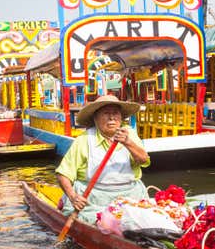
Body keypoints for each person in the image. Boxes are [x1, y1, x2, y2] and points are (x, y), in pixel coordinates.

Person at [56, 94, 150, 223]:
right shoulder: (84, 140)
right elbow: (63, 174)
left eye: (115, 113)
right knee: (98, 222)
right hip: (94, 199)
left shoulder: (130, 134)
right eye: (106, 113)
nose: (112, 118)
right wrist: (73, 197)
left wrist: (128, 143)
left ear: (121, 117)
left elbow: (144, 160)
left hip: (130, 196)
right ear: (95, 118)